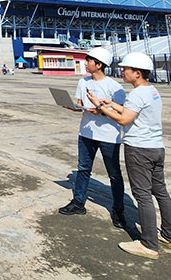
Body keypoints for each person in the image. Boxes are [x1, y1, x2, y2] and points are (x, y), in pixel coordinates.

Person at [87, 51, 171, 260]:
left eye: (125, 69)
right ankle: (170, 236)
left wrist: (100, 106)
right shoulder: (151, 91)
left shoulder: (137, 94)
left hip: (139, 149)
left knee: (143, 195)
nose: (122, 72)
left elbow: (124, 120)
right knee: (161, 192)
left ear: (137, 73)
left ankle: (149, 244)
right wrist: (111, 104)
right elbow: (132, 112)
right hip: (156, 148)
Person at [58, 47, 127, 229]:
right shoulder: (83, 82)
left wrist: (100, 111)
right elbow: (80, 104)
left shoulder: (115, 87)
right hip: (86, 133)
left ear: (99, 65)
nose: (86, 63)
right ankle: (78, 202)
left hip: (108, 136)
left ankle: (118, 210)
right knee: (83, 169)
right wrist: (73, 107)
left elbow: (121, 112)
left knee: (114, 174)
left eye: (89, 60)